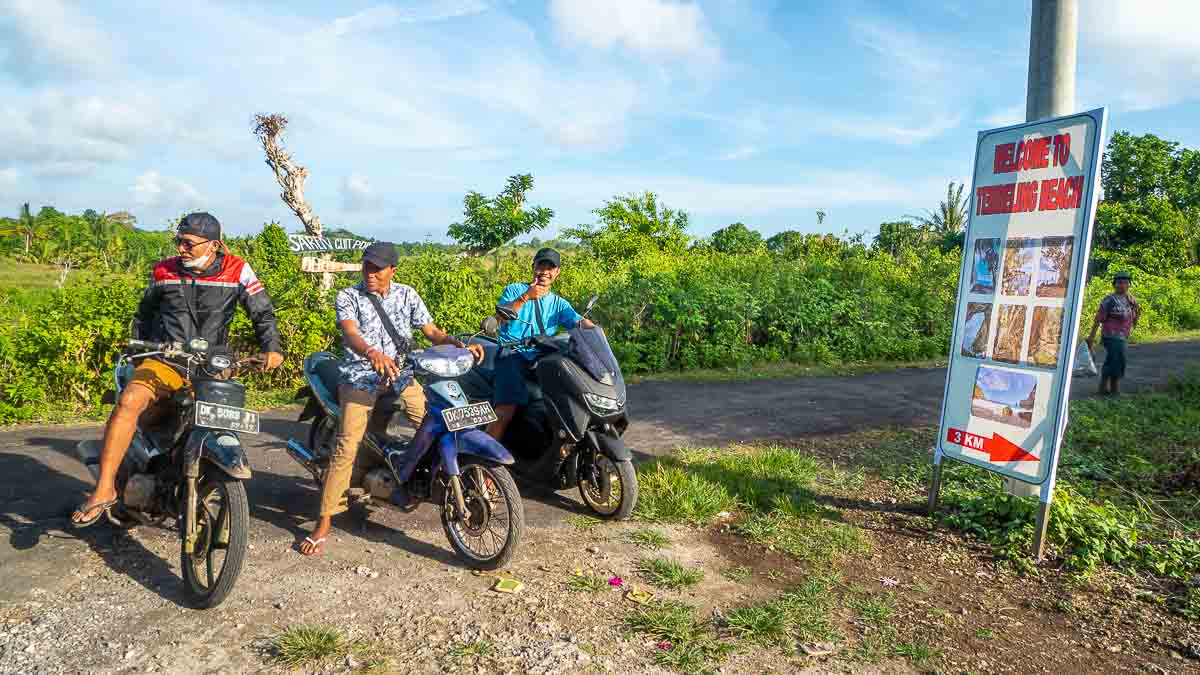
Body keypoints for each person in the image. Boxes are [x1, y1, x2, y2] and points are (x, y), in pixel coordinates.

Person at [71, 212, 284, 526]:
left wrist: (272, 349)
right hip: (164, 360)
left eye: (189, 243)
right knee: (129, 401)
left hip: (212, 366)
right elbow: (143, 315)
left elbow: (262, 313)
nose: (181, 249)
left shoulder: (238, 270)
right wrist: (139, 351)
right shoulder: (163, 270)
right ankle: (104, 488)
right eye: (178, 241)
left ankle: (203, 479)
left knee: (221, 426)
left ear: (214, 245)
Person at [300, 242, 484, 556]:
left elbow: (432, 332)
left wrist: (460, 344)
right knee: (346, 446)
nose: (370, 273)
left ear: (392, 270)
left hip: (401, 375)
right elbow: (350, 333)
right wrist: (371, 353)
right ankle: (324, 522)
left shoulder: (407, 294)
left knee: (437, 421)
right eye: (366, 267)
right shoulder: (349, 296)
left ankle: (419, 478)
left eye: (377, 268)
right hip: (360, 377)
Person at [486, 247, 593, 442]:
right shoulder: (515, 290)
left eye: (550, 267)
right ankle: (483, 461)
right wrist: (527, 296)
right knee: (506, 410)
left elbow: (579, 323)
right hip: (512, 354)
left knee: (570, 399)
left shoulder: (559, 304)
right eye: (540, 266)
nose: (544, 271)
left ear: (557, 272)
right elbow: (500, 318)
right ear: (533, 267)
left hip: (543, 358)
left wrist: (596, 334)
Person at [1087, 271, 1141, 396]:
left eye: (1125, 283)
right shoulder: (1109, 300)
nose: (1122, 285)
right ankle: (1115, 389)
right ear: (1114, 285)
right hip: (1111, 336)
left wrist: (1135, 318)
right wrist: (1091, 337)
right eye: (1119, 283)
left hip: (1123, 336)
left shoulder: (1130, 299)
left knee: (1111, 360)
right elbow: (1098, 318)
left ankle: (1102, 388)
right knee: (1118, 361)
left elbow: (1136, 312)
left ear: (1129, 285)